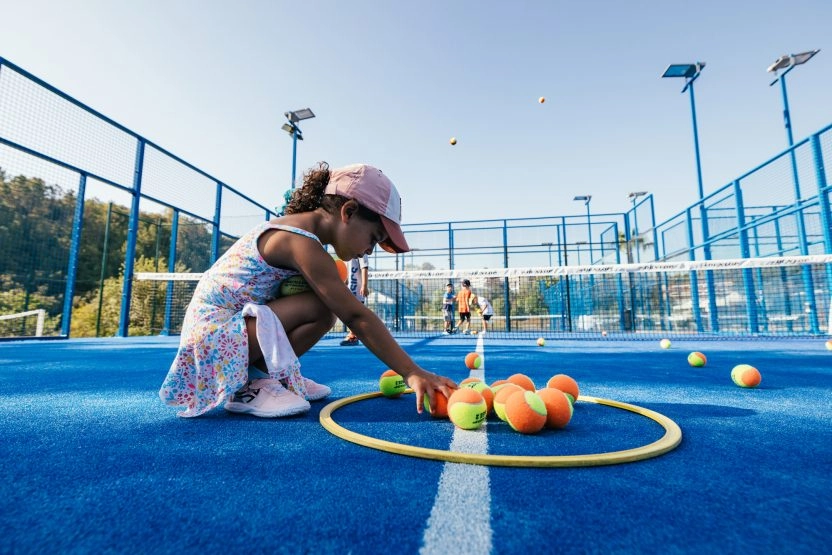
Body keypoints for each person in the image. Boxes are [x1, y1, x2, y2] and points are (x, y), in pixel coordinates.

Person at [159, 162, 456, 418]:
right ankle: (252, 385)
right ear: (348, 212)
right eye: (374, 238)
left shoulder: (300, 235)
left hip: (225, 336)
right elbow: (355, 315)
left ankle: (268, 376)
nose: (370, 250)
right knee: (323, 307)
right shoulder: (299, 242)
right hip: (213, 338)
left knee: (320, 307)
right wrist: (412, 372)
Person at [341, 254, 369, 346]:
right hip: (349, 289)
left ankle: (354, 335)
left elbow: (364, 267)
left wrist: (364, 286)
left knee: (355, 313)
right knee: (349, 312)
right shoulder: (347, 252)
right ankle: (354, 334)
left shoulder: (362, 251)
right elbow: (346, 270)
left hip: (357, 289)